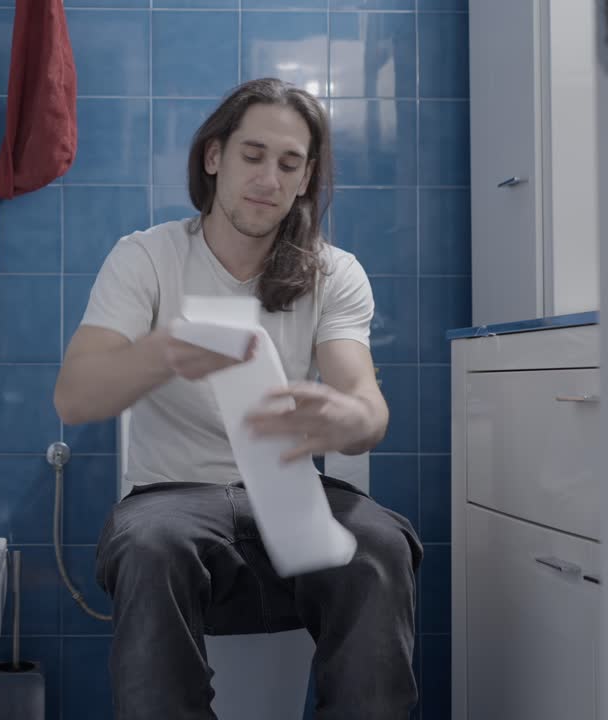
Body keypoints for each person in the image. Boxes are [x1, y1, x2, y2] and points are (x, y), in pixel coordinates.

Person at [53, 77, 423, 720]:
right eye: (253, 155)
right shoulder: (146, 259)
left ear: (306, 179)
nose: (269, 179)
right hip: (172, 500)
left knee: (380, 546)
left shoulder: (333, 273)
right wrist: (163, 350)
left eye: (289, 164)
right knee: (149, 545)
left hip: (289, 495)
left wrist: (351, 417)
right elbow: (75, 398)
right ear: (214, 156)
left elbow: (366, 404)